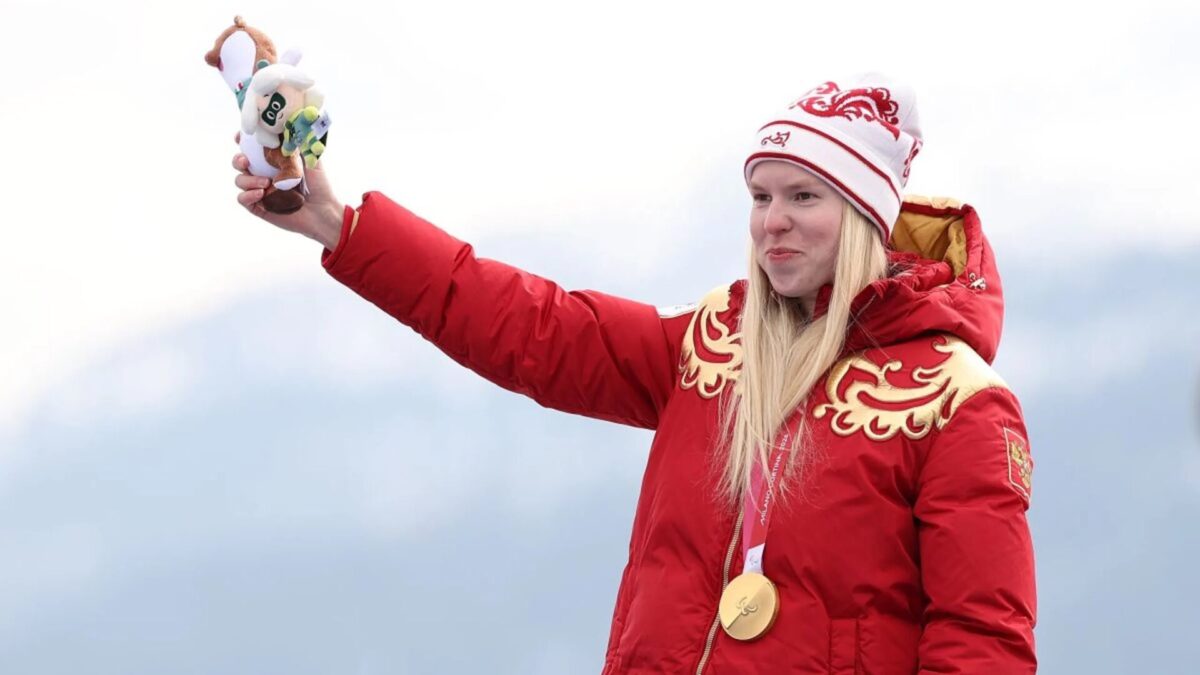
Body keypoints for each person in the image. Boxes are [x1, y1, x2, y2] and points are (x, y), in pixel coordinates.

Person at [232, 73, 1037, 674]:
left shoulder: (959, 402)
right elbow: (527, 324)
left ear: (865, 217)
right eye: (760, 195)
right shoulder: (711, 344)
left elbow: (985, 642)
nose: (773, 221)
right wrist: (337, 225)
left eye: (803, 196)